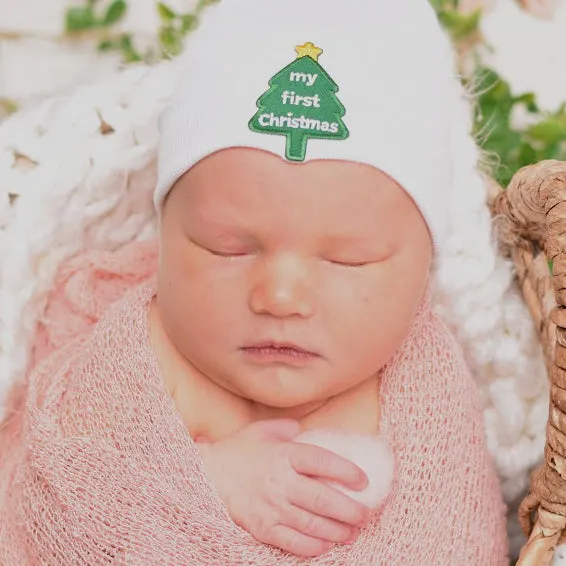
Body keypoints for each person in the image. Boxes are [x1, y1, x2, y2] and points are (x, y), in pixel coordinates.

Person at [0, 0, 509, 564]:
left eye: (348, 260)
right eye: (228, 248)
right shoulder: (131, 354)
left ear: (423, 271)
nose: (280, 296)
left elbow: (460, 541)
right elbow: (46, 502)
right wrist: (202, 485)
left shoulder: (427, 392)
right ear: (163, 235)